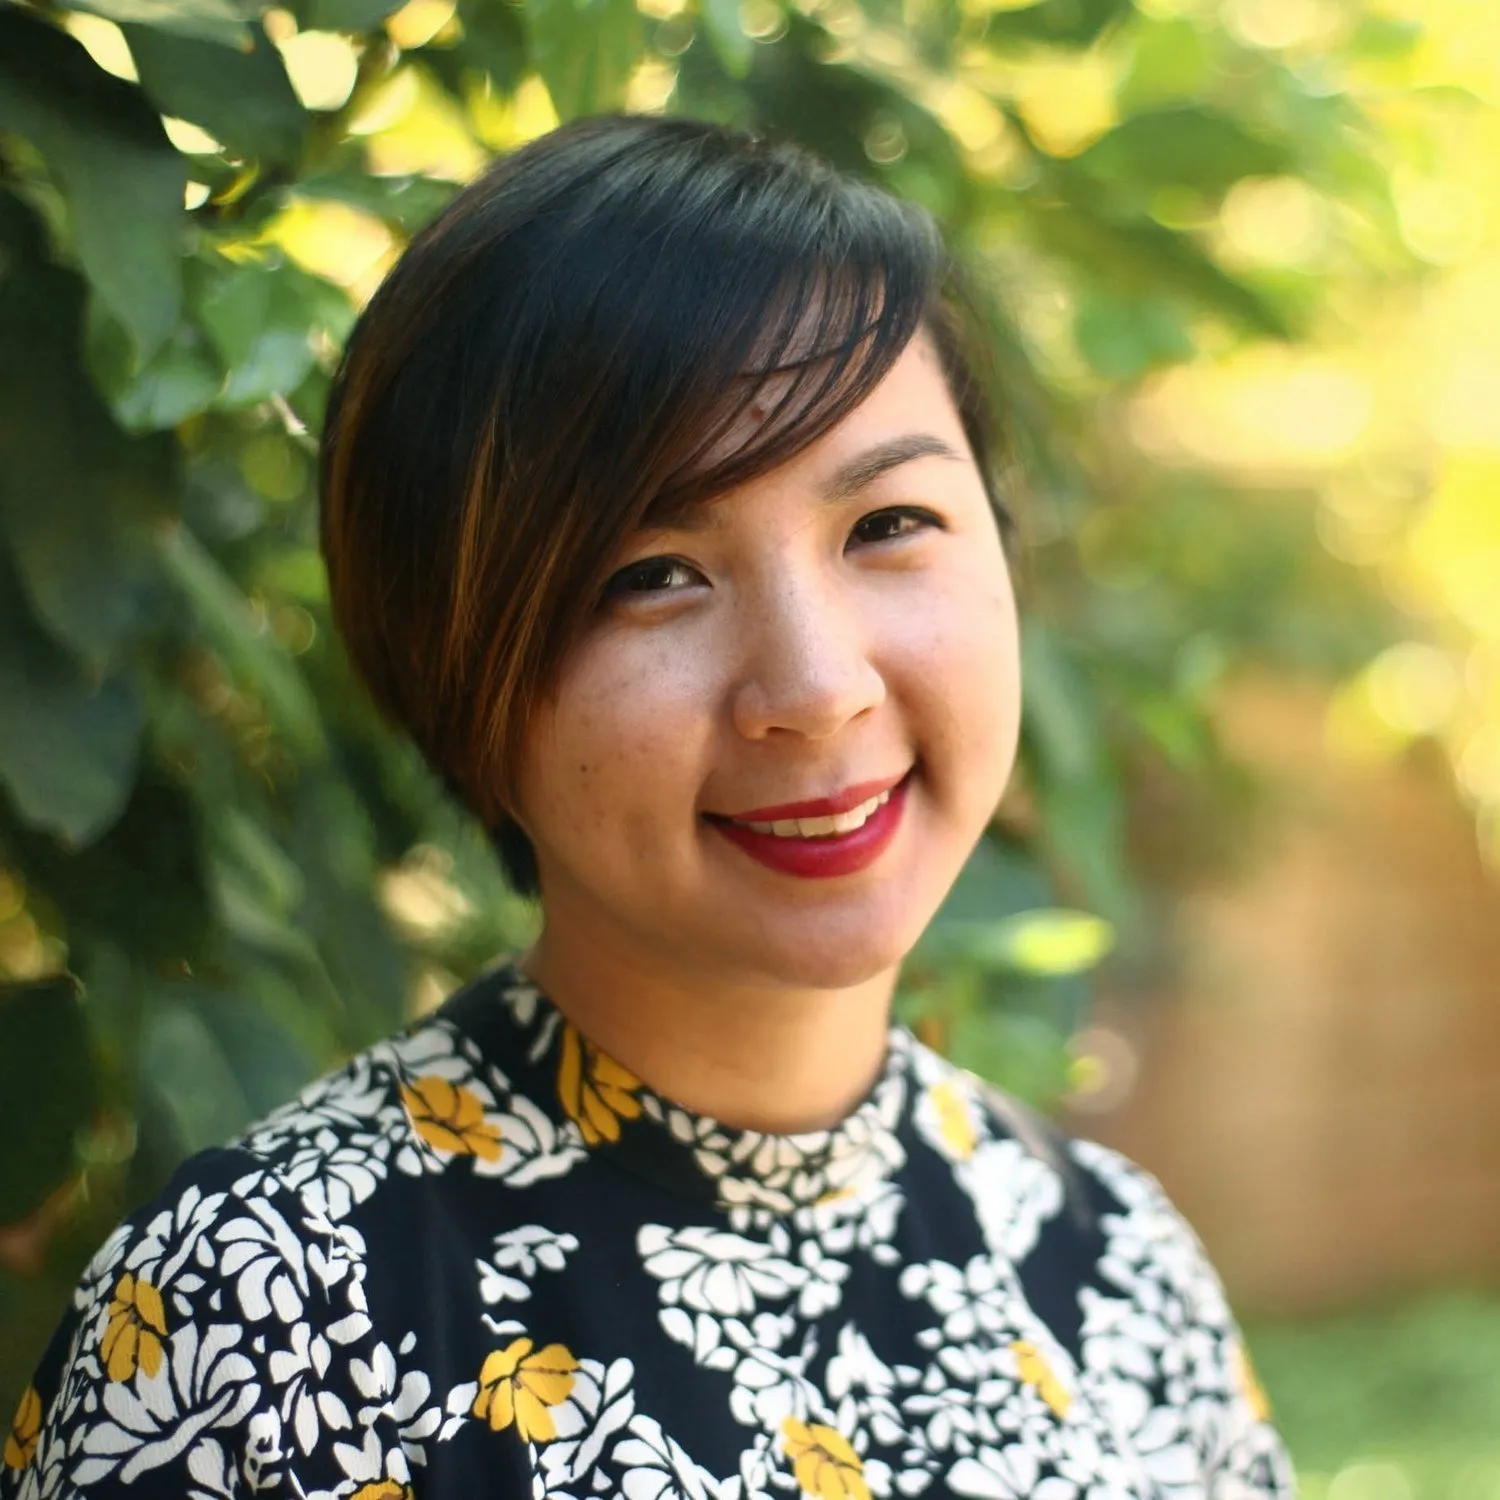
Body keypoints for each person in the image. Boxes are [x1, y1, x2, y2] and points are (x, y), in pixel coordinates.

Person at [2, 115, 1292, 1500]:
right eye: (652, 573)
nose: (813, 687)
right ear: (461, 675)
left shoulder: (1108, 1267)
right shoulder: (267, 1322)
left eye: (887, 525)